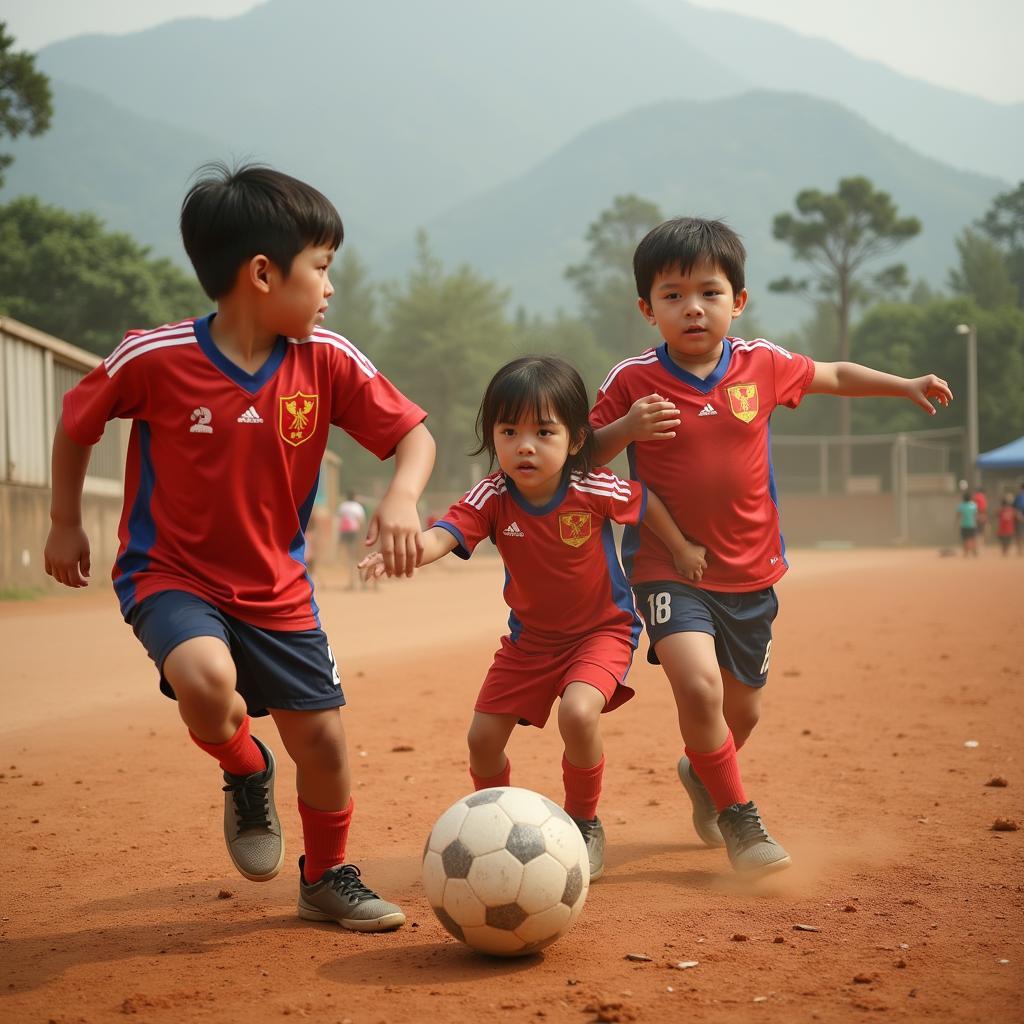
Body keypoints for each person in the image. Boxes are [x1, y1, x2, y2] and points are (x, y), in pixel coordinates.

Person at [42, 163, 436, 932]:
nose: (328, 289)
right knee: (204, 679)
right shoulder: (153, 357)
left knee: (322, 741)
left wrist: (401, 496)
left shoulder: (327, 360)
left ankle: (325, 878)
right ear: (262, 273)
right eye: (320, 269)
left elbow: (413, 435)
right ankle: (245, 768)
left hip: (278, 588)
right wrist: (63, 520)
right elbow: (77, 422)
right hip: (171, 574)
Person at [590, 217, 952, 876]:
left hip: (752, 572)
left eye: (709, 292)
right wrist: (626, 427)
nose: (692, 307)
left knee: (741, 711)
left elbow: (835, 375)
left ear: (739, 300)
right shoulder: (631, 382)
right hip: (666, 567)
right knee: (697, 690)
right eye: (672, 295)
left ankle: (702, 775)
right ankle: (741, 822)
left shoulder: (764, 364)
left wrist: (903, 386)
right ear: (647, 309)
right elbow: (579, 454)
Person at [360, 356, 706, 880]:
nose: (525, 445)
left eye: (544, 432)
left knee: (578, 714)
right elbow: (443, 534)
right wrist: (401, 551)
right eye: (509, 430)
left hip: (602, 632)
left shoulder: (591, 486)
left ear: (573, 440)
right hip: (530, 645)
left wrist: (680, 548)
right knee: (481, 741)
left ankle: (584, 822)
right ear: (492, 438)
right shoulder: (493, 496)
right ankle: (488, 821)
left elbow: (646, 500)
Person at [336, 491, 368, 590]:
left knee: (349, 557)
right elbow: (361, 521)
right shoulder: (357, 507)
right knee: (356, 556)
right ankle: (358, 581)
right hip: (355, 533)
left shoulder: (343, 506)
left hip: (345, 532)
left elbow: (339, 519)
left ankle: (352, 581)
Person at [956, 487, 979, 557]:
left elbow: (958, 515)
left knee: (965, 539)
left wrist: (956, 523)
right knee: (973, 538)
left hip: (964, 525)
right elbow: (976, 515)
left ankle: (966, 552)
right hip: (972, 524)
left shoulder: (961, 506)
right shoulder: (973, 505)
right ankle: (974, 551)